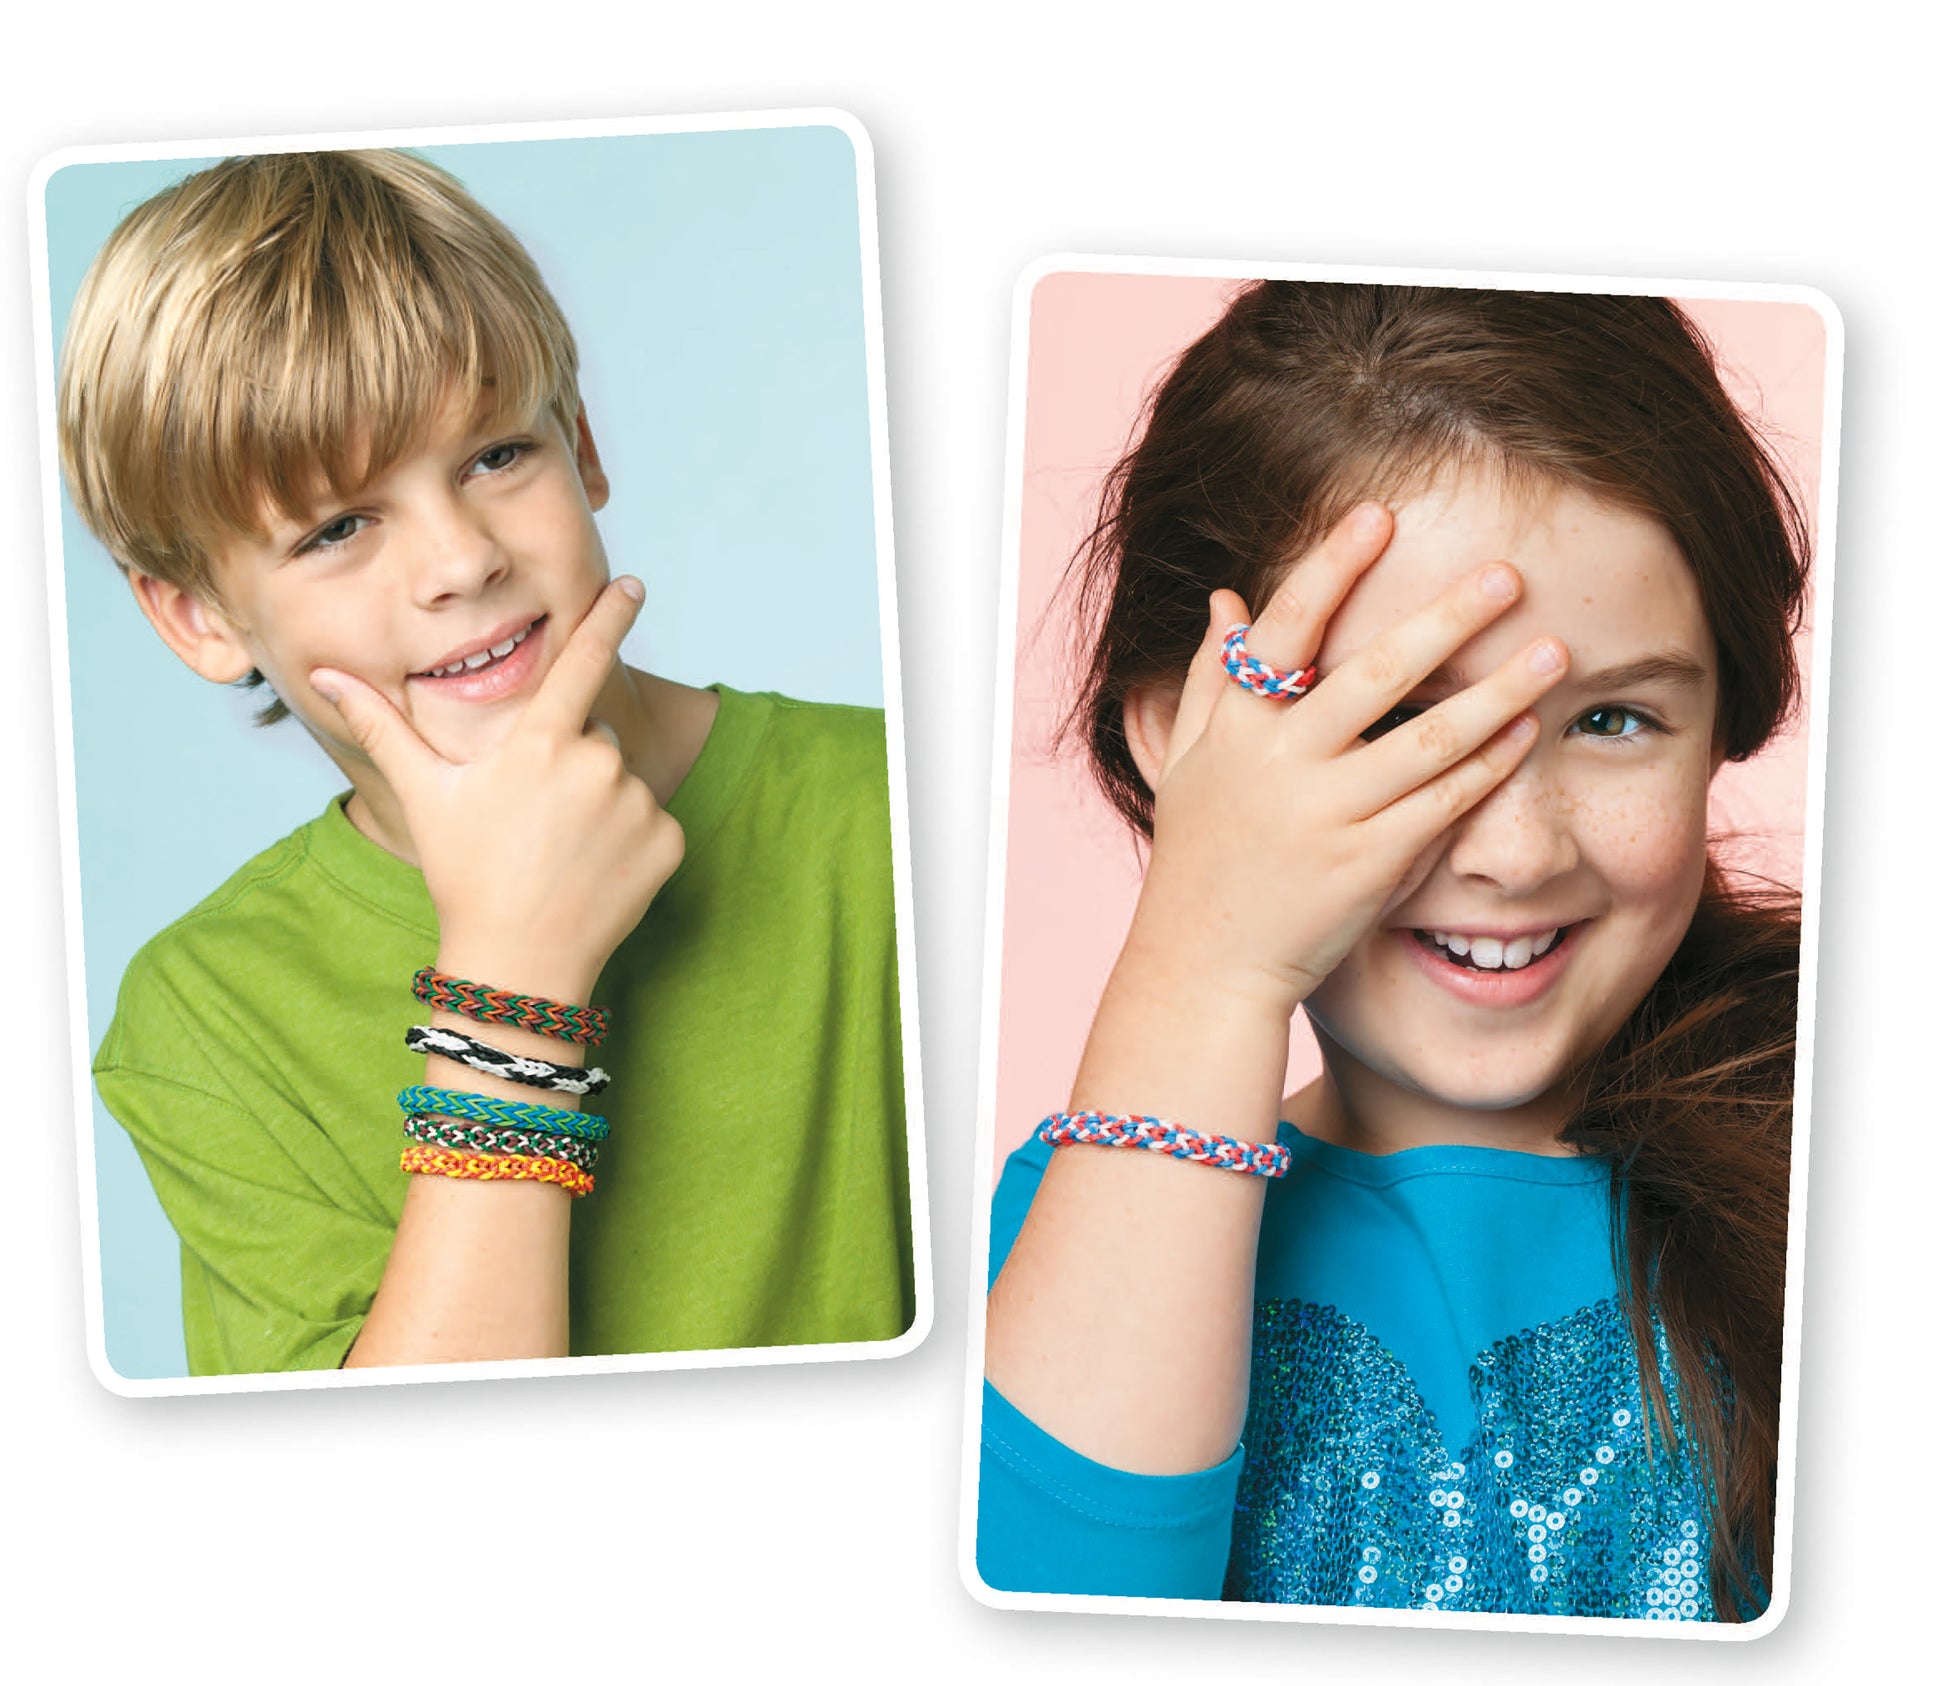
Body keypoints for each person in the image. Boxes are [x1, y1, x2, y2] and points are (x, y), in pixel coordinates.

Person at [978, 281, 1807, 1622]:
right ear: (1171, 730)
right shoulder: (1071, 1241)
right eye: (1397, 725)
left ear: (1721, 719)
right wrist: (1205, 966)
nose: (1517, 850)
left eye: (1610, 720)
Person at [58, 148, 914, 1375]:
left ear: (582, 442)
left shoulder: (891, 807)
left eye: (495, 458)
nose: (459, 560)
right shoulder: (206, 1012)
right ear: (199, 617)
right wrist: (517, 979)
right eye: (338, 528)